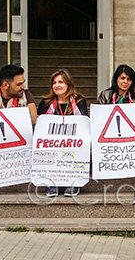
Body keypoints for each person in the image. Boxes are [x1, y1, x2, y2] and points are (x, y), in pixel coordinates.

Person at [37, 69, 88, 198]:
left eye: (61, 82)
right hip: (52, 142)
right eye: (54, 82)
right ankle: (52, 183)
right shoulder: (45, 102)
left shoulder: (79, 101)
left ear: (68, 84)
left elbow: (84, 122)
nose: (57, 85)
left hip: (73, 142)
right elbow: (40, 125)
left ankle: (74, 182)